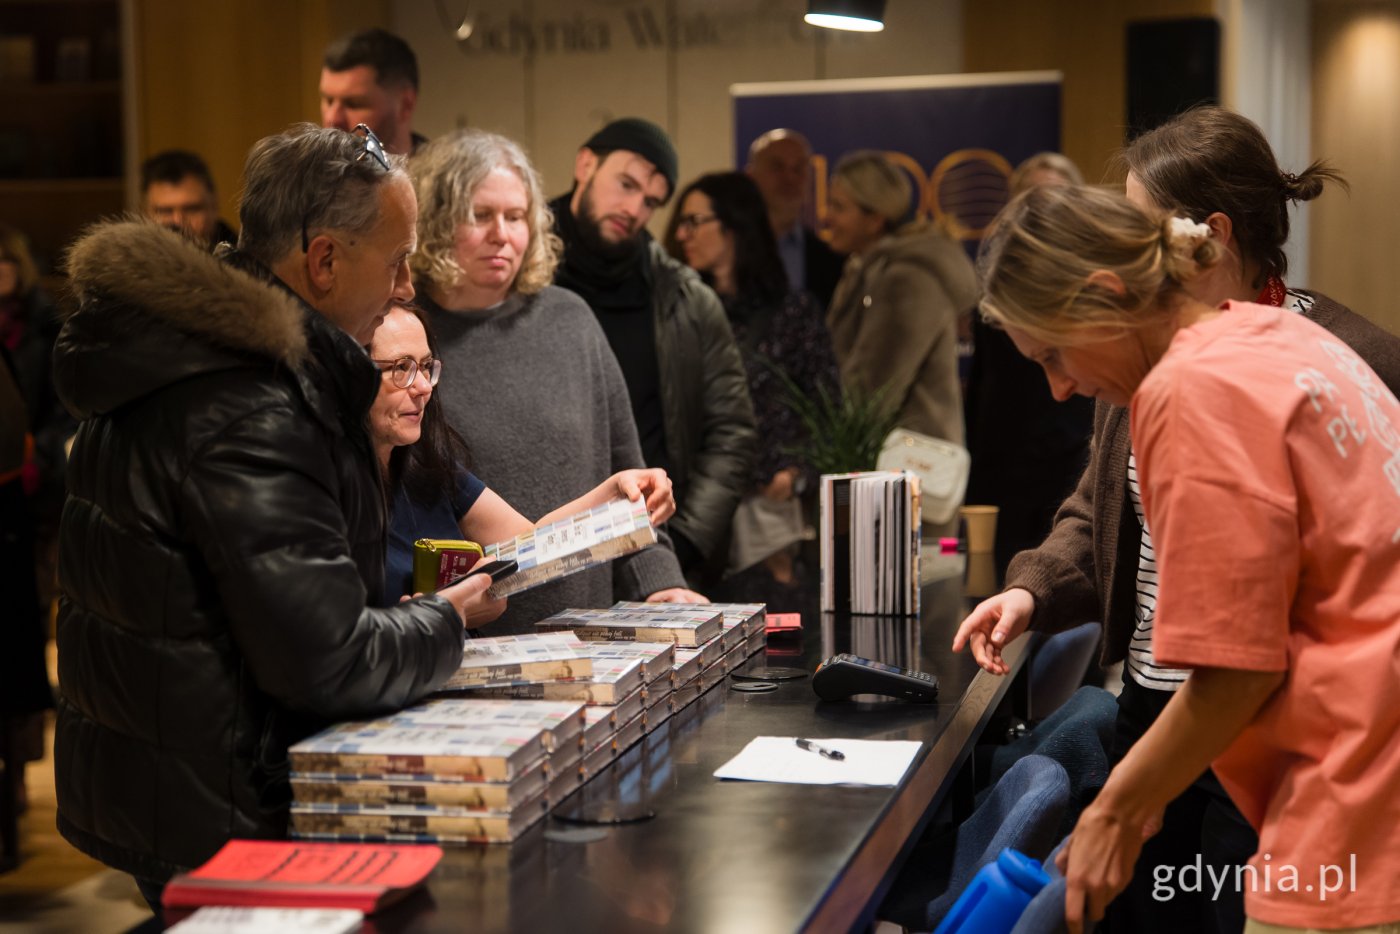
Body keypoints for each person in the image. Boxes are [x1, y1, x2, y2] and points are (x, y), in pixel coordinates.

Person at [955, 107, 1400, 934]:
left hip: (1348, 795)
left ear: (1105, 293)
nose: (1059, 387)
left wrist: (1117, 810)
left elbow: (1238, 670)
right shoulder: (1272, 336)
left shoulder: (1191, 389)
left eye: (1053, 354)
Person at [53, 124, 503, 906]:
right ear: (323, 261)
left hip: (174, 786)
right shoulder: (251, 405)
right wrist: (445, 619)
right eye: (396, 262)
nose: (406, 287)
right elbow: (329, 663)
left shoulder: (197, 356)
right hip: (227, 808)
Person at [407, 129, 706, 630]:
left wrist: (661, 582)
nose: (502, 234)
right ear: (438, 220)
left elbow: (629, 476)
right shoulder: (406, 337)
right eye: (480, 215)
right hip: (467, 632)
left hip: (586, 634)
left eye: (516, 216)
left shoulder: (571, 320)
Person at [550, 117, 757, 581]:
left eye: (650, 201)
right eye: (626, 184)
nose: (634, 209)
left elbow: (732, 432)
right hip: (541, 548)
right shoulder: (516, 279)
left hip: (656, 550)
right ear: (585, 164)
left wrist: (681, 541)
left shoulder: (686, 299)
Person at [369, 304, 675, 602]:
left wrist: (617, 492)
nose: (424, 387)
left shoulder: (426, 464)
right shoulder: (344, 491)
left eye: (426, 366)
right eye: (402, 368)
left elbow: (530, 548)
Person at [663, 171, 838, 578]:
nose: (683, 234)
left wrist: (795, 475)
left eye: (694, 221)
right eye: (681, 223)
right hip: (693, 501)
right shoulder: (676, 311)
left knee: (772, 609)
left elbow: (827, 407)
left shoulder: (791, 312)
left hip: (766, 507)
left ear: (734, 227)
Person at [964, 152, 1093, 574]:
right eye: (1031, 198)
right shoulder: (996, 276)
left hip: (1072, 451)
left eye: (1055, 197)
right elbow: (984, 378)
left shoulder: (1092, 281)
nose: (1043, 211)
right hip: (1006, 457)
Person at [824, 149, 978, 445]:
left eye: (838, 207)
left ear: (875, 218)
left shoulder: (908, 278)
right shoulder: (863, 269)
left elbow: (873, 393)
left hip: (910, 463)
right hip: (881, 458)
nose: (827, 217)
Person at [745, 128, 845, 312]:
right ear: (751, 176)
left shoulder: (832, 260)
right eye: (777, 167)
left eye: (798, 169)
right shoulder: (726, 248)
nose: (790, 178)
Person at [320, 28, 423, 155]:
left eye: (354, 104)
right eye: (329, 101)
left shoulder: (439, 167)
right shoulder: (309, 167)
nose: (332, 119)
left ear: (406, 105)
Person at [140, 150, 237, 251]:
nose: (177, 221)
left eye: (191, 209)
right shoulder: (134, 257)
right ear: (146, 213)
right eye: (165, 211)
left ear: (214, 207)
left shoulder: (243, 258)